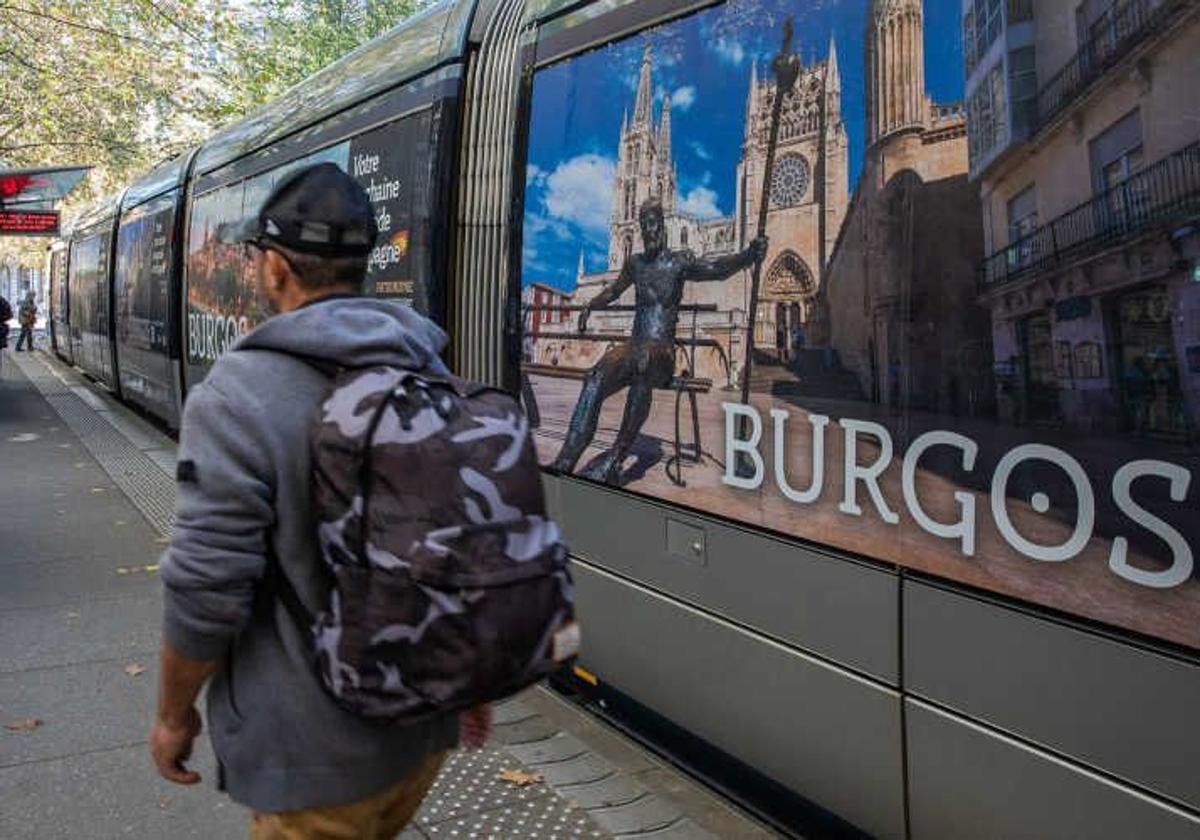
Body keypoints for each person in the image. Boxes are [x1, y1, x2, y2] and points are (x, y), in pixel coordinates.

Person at [150, 163, 485, 839]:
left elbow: (207, 586)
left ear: (275, 269)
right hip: (425, 726)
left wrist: (173, 714)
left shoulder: (237, 393)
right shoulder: (429, 367)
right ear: (360, 267)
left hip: (316, 755)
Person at [551, 199, 767, 483]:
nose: (648, 230)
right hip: (635, 345)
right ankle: (565, 460)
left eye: (653, 223)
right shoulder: (635, 264)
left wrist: (747, 256)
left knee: (644, 360)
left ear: (663, 226)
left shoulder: (679, 262)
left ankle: (616, 456)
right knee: (595, 375)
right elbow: (613, 291)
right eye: (644, 225)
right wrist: (589, 306)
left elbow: (716, 268)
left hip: (662, 352)